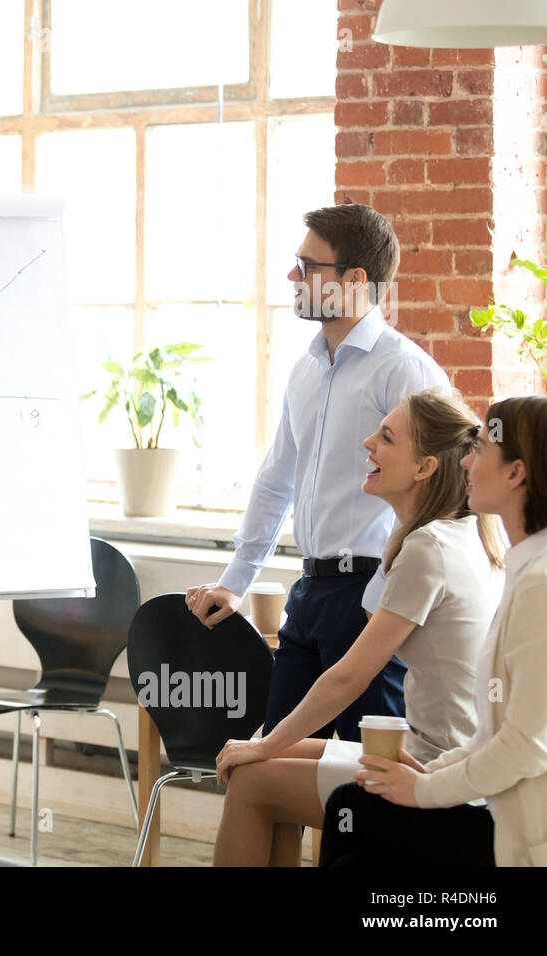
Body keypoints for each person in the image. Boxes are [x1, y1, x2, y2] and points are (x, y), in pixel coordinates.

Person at [187, 203, 448, 740]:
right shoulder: (306, 369)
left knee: (362, 781)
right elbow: (276, 479)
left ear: (354, 281)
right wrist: (237, 582)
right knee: (272, 766)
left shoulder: (405, 369)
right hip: (308, 594)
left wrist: (386, 597)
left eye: (307, 266)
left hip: (372, 595)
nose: (292, 277)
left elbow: (443, 487)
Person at [211, 389, 502, 866]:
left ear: (424, 468)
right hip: (438, 755)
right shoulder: (465, 534)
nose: (368, 443)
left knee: (253, 779)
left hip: (434, 772)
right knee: (260, 765)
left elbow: (350, 676)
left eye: (386, 437)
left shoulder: (428, 547)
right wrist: (263, 747)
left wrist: (262, 743)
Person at [323, 395, 547, 867]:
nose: (466, 459)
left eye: (482, 448)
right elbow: (498, 735)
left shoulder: (537, 585)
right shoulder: (517, 565)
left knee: (353, 813)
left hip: (517, 835)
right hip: (488, 799)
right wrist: (430, 772)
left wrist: (424, 788)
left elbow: (525, 747)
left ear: (515, 474)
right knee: (352, 809)